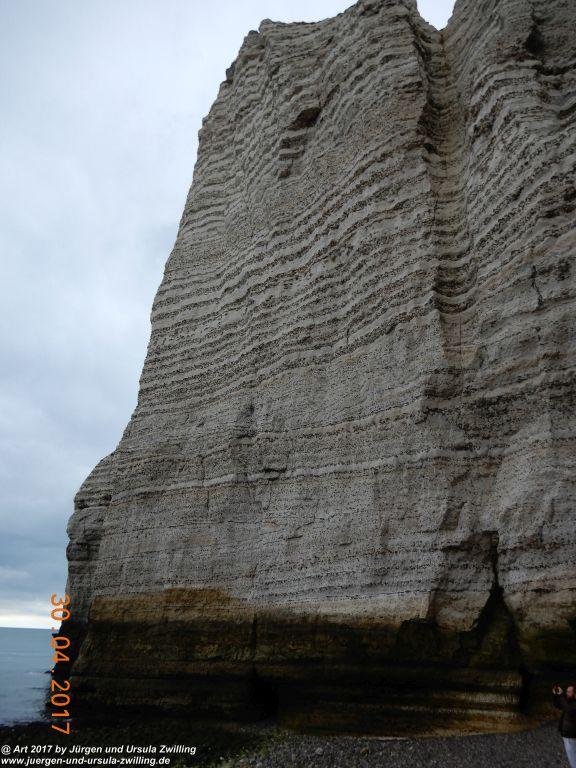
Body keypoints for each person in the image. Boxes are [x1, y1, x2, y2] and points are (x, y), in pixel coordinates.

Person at [553, 685, 576, 767]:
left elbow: (568, 709)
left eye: (569, 692)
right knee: (572, 754)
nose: (567, 693)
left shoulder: (573, 704)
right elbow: (557, 705)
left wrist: (561, 695)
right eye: (567, 691)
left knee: (572, 755)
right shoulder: (568, 701)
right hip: (567, 734)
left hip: (571, 734)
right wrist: (556, 695)